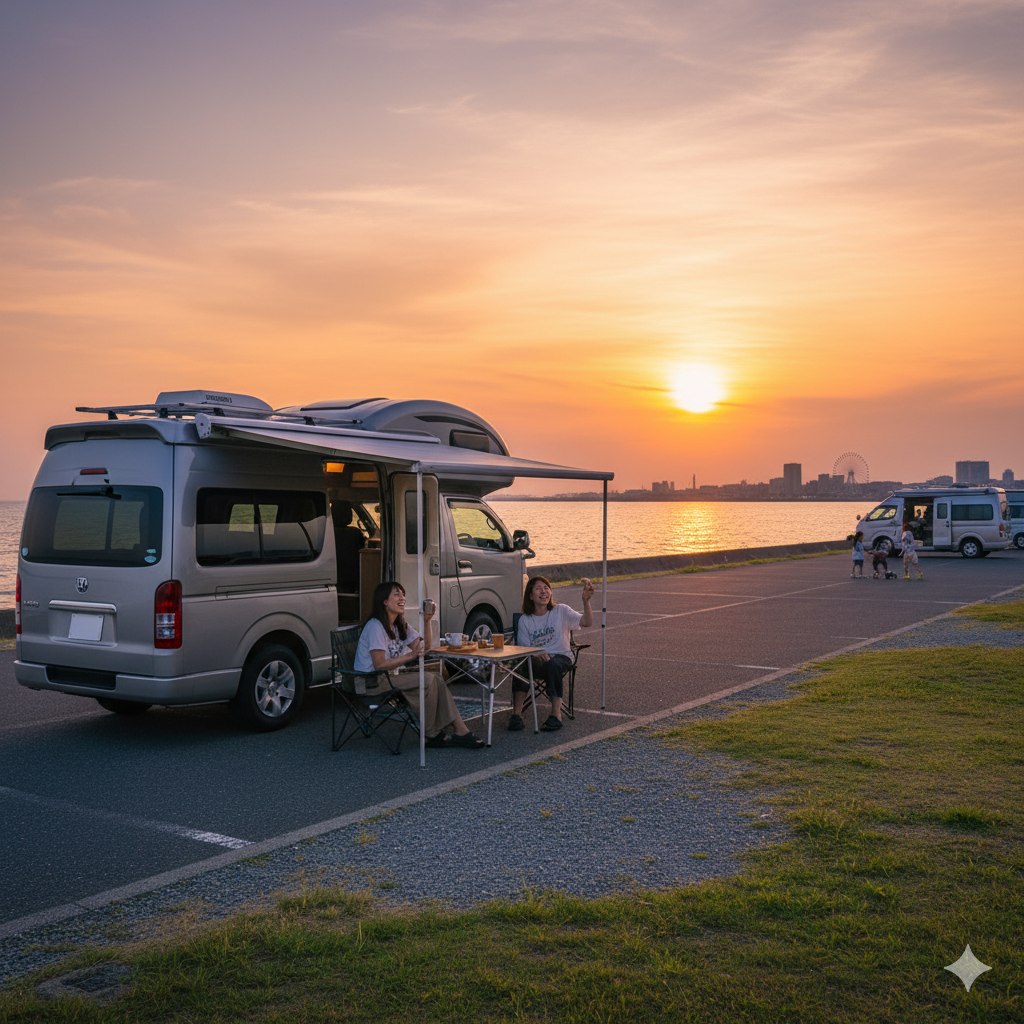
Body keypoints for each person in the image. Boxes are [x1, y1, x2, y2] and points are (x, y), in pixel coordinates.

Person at [354, 581, 484, 748]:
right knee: (428, 680)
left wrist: (427, 621)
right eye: (397, 594)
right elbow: (379, 664)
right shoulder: (375, 626)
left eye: (403, 594)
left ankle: (458, 730)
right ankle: (432, 733)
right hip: (370, 682)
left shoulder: (399, 624)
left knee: (436, 678)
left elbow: (424, 648)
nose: (402, 598)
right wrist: (410, 655)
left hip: (390, 677)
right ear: (384, 601)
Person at [508, 575, 594, 732]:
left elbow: (587, 622)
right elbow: (522, 649)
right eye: (538, 588)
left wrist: (586, 601)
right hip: (535, 660)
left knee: (553, 664)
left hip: (560, 657)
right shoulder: (525, 620)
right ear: (531, 596)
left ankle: (556, 715)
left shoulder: (561, 610)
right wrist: (536, 653)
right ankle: (516, 715)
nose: (544, 591)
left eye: (546, 588)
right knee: (521, 662)